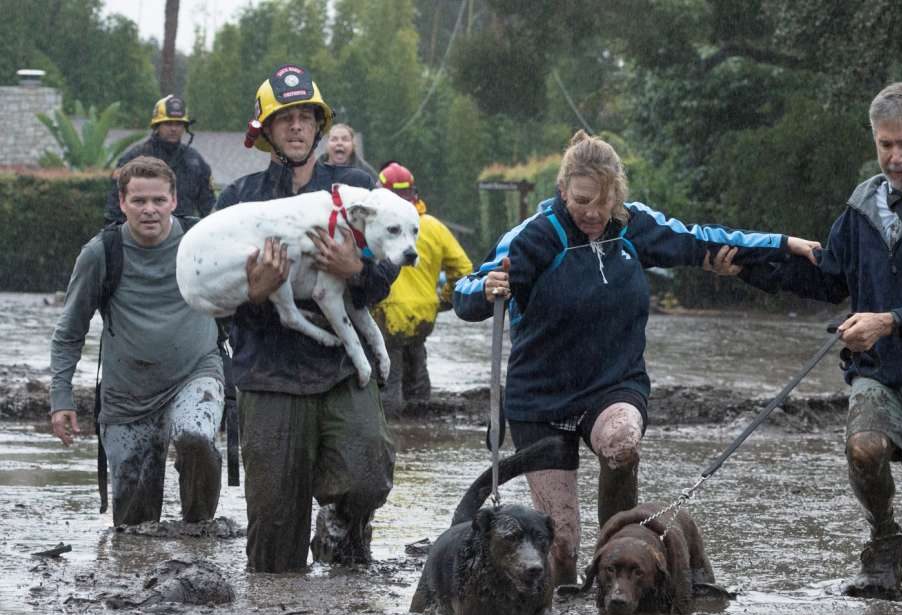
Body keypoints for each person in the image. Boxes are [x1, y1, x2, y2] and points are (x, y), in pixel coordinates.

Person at [453, 130, 819, 586]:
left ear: (617, 196)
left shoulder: (632, 226)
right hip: (540, 400)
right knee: (560, 551)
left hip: (613, 384)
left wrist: (783, 244)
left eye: (602, 203)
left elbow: (701, 239)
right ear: (563, 189)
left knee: (623, 444)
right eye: (582, 200)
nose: (591, 213)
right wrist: (486, 290)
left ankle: (617, 550)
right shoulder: (534, 237)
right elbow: (464, 292)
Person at [725, 82, 902, 600]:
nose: (894, 158)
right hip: (877, 371)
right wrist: (747, 269)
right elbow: (828, 278)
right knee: (864, 448)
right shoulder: (860, 207)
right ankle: (886, 536)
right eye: (884, 145)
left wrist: (888, 320)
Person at [217, 64, 398, 572]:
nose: (296, 127)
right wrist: (252, 293)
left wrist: (356, 269)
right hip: (268, 373)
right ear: (266, 131)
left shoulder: (357, 189)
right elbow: (214, 304)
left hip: (342, 368)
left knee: (368, 475)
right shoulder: (239, 200)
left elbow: (387, 274)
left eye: (305, 117)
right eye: (284, 118)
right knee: (274, 549)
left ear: (318, 127)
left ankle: (340, 528)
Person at [52, 156, 224, 526]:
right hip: (128, 393)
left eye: (159, 201)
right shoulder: (101, 253)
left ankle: (199, 533)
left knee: (195, 438)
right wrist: (60, 397)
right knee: (135, 525)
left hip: (196, 373)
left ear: (174, 201)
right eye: (139, 201)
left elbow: (243, 298)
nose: (150, 210)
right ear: (122, 202)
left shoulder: (201, 242)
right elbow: (69, 332)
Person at [371, 161, 474, 417]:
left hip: (387, 315)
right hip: (424, 314)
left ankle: (395, 433)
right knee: (417, 368)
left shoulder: (378, 227)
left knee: (388, 378)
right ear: (413, 193)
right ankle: (421, 424)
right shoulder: (433, 227)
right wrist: (444, 300)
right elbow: (463, 269)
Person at [105, 95, 214, 226]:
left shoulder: (195, 161)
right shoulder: (133, 158)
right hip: (142, 236)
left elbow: (209, 206)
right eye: (168, 123)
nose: (174, 129)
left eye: (178, 124)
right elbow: (116, 204)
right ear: (157, 126)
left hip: (183, 236)